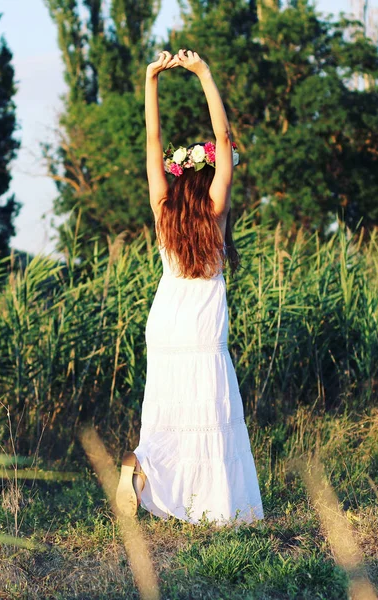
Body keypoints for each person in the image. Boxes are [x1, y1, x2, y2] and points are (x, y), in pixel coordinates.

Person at [115, 49, 264, 526]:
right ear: (209, 176)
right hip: (202, 329)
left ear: (178, 179)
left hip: (165, 323)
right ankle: (211, 507)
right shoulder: (216, 214)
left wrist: (150, 79)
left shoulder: (163, 209)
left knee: (169, 412)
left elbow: (151, 139)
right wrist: (202, 72)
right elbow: (223, 137)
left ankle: (142, 464)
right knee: (207, 413)